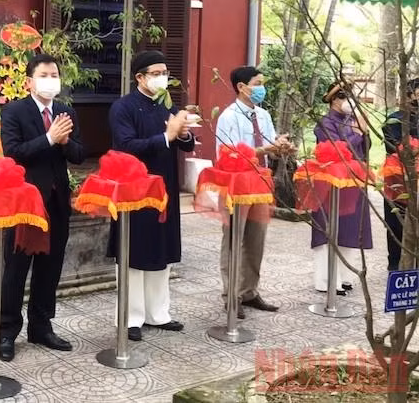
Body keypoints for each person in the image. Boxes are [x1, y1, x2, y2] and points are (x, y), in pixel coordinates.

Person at [0, 53, 85, 362]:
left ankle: (41, 326)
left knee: (50, 267)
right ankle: (6, 331)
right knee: (16, 269)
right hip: (25, 203)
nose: (51, 80)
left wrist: (64, 142)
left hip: (57, 201)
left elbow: (79, 154)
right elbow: (13, 152)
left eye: (54, 75)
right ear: (29, 81)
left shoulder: (65, 111)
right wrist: (49, 138)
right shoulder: (14, 111)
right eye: (44, 75)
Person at [108, 50, 194, 341]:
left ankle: (158, 313)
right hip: (134, 190)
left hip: (164, 187)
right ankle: (130, 317)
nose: (162, 78)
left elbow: (184, 143)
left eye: (165, 73)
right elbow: (126, 145)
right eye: (156, 73)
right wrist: (166, 137)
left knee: (161, 250)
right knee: (134, 252)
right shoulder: (122, 108)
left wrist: (183, 134)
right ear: (140, 77)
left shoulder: (167, 104)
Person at [215, 66, 293, 319]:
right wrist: (264, 149)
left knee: (256, 239)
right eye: (257, 83)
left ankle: (249, 291)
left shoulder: (263, 115)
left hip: (260, 183)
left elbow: (270, 146)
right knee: (233, 240)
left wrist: (281, 146)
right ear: (241, 87)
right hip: (236, 185)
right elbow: (227, 154)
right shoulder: (228, 116)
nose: (262, 88)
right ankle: (231, 295)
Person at [312, 82, 372, 293]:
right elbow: (337, 149)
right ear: (333, 100)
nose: (350, 102)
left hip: (352, 181)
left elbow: (364, 150)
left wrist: (364, 132)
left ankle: (345, 276)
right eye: (345, 97)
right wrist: (357, 133)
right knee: (328, 229)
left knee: (349, 227)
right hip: (330, 184)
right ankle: (326, 280)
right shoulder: (325, 123)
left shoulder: (353, 120)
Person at [382, 78, 419, 270]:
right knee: (396, 223)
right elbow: (393, 147)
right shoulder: (393, 120)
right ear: (408, 96)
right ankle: (396, 267)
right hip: (398, 179)